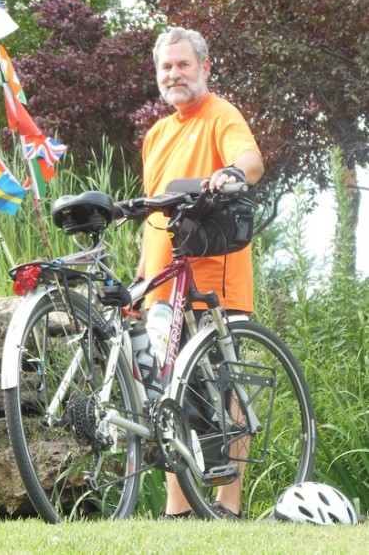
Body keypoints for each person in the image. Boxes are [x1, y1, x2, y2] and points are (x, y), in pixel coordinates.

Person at [136, 26, 264, 520]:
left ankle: (227, 506)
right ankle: (178, 510)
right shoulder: (156, 135)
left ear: (204, 67)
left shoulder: (220, 114)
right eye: (166, 67)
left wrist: (233, 173)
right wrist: (140, 280)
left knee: (227, 390)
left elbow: (250, 158)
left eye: (183, 64)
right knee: (167, 393)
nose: (174, 74)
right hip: (164, 286)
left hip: (216, 279)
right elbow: (154, 219)